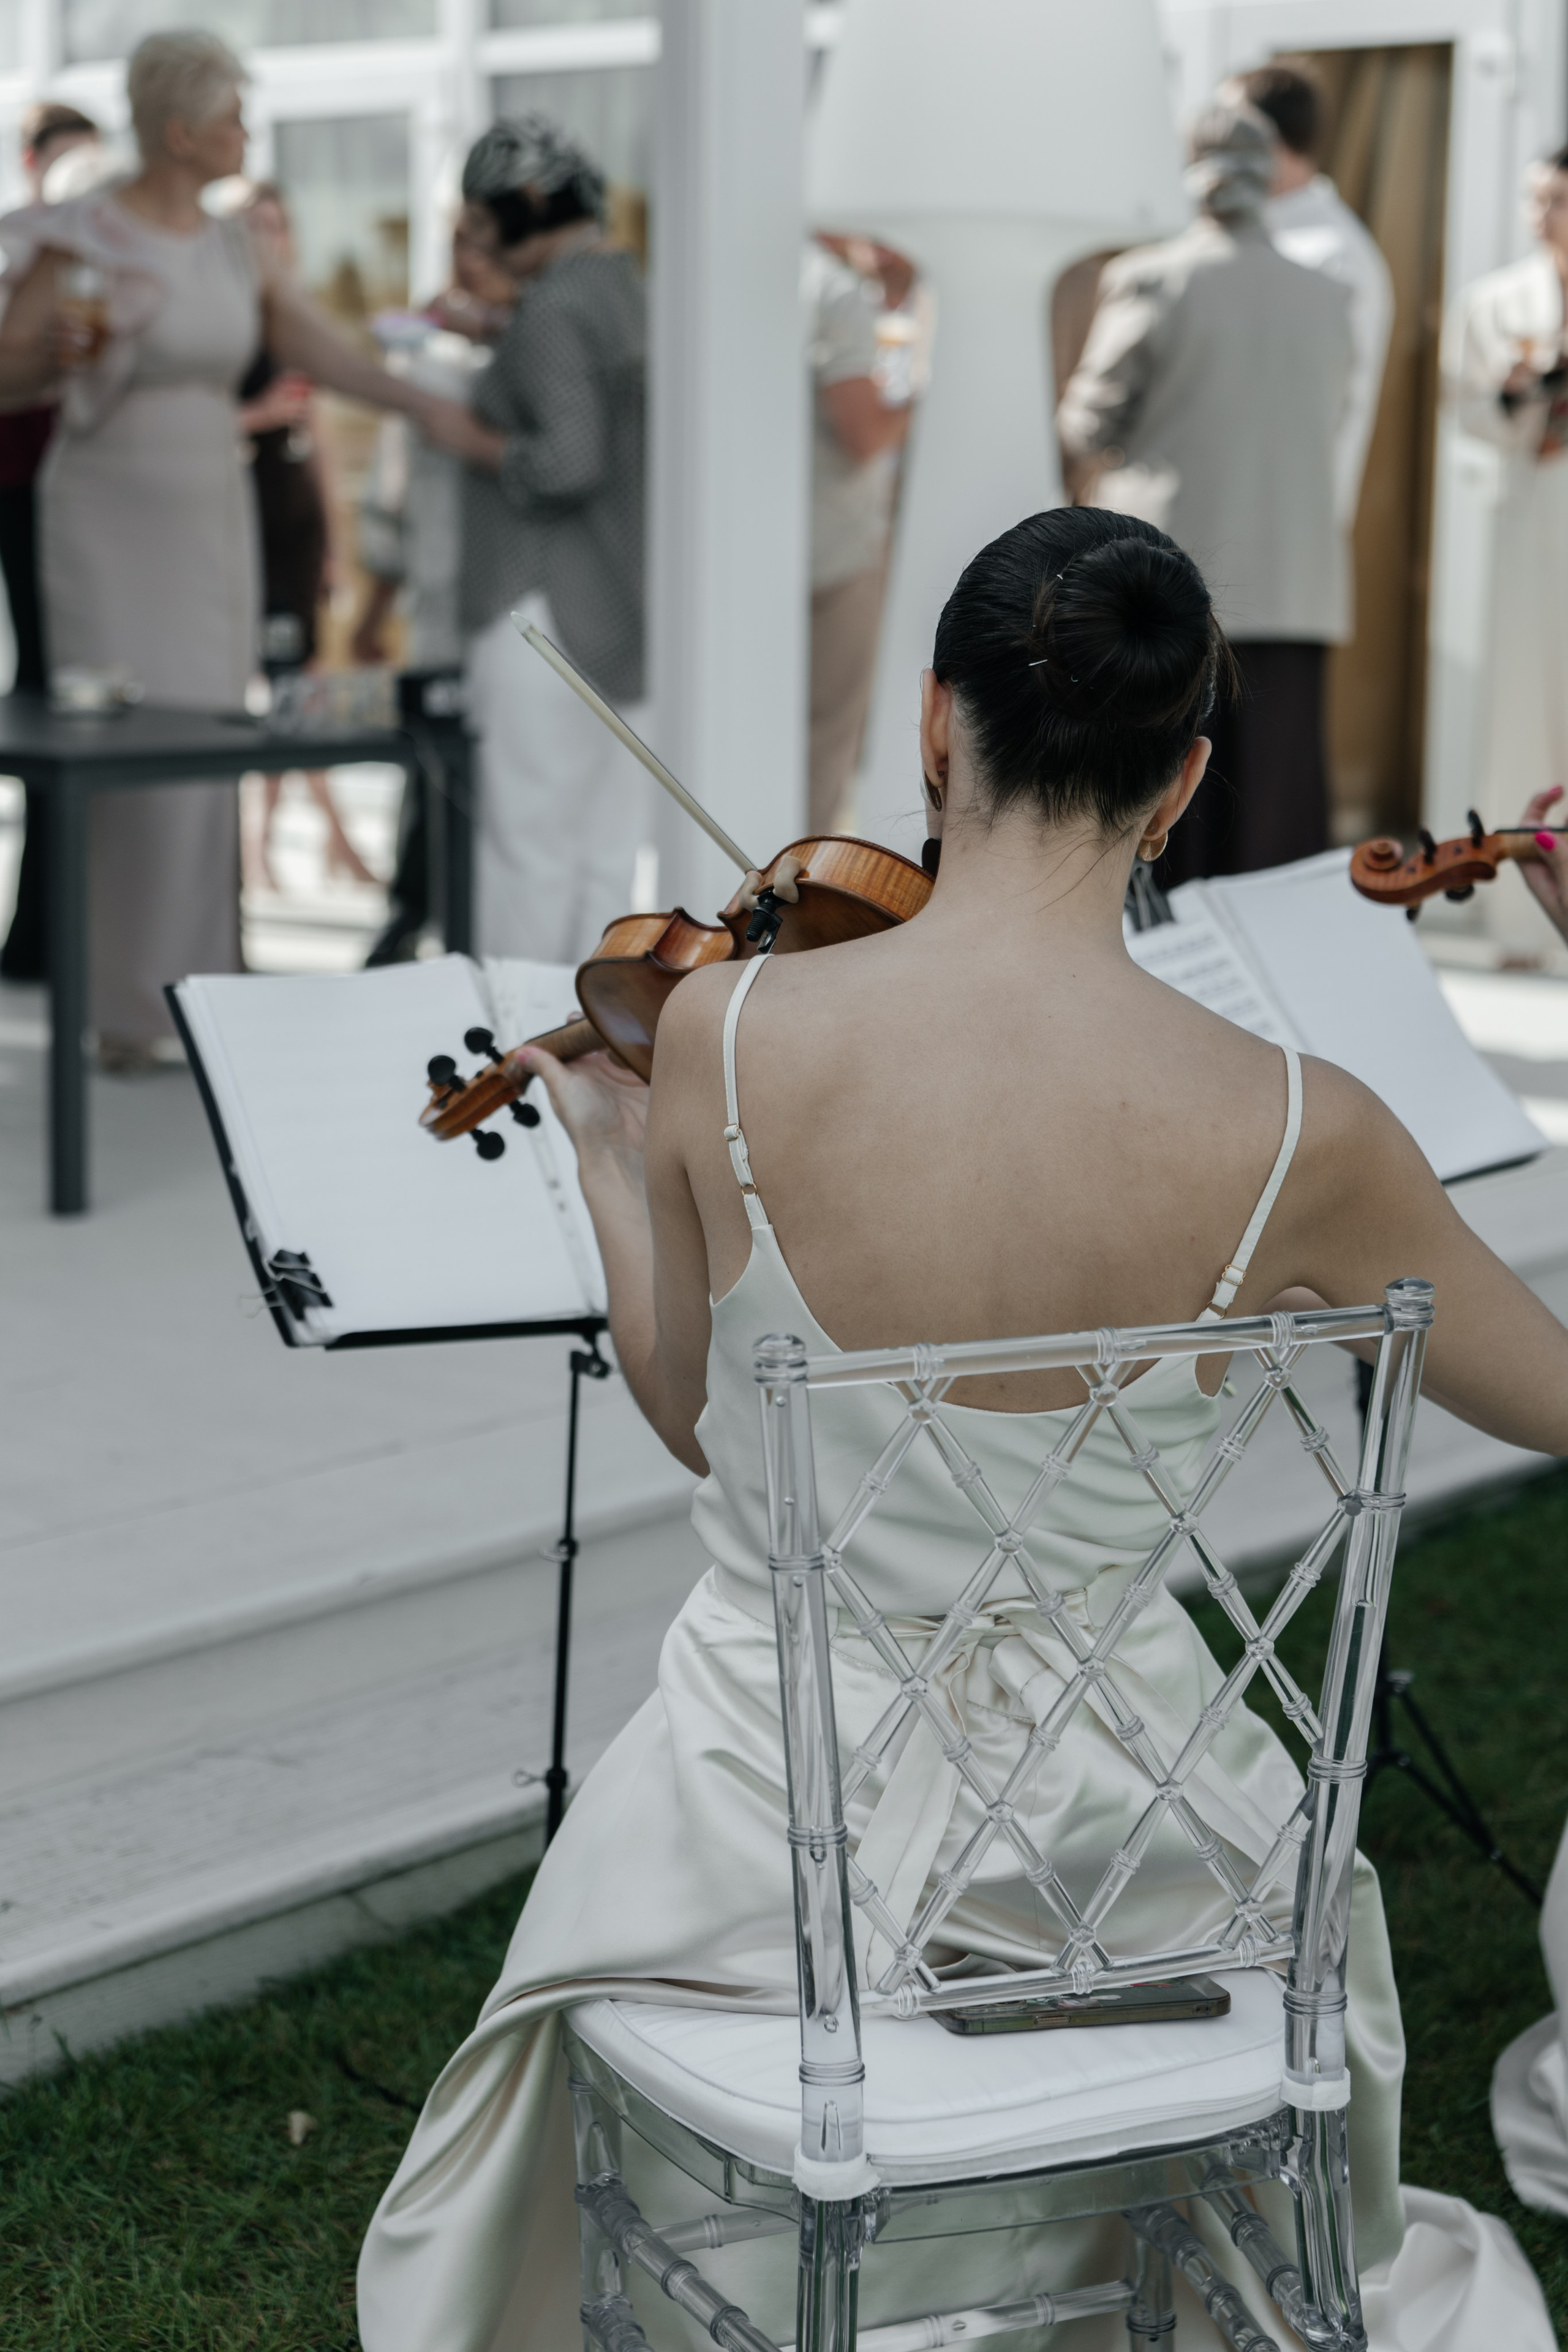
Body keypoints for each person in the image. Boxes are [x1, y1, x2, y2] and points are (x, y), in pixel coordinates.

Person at [356, 506, 1567, 2351]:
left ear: (935, 727)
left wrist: (603, 1154)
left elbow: (700, 1414)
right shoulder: (1306, 1131)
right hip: (1140, 1859)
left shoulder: (729, 1035)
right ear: (1181, 786)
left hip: (752, 1837)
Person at [0, 31, 463, 1067]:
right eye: (235, 119)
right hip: (104, 517)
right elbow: (11, 373)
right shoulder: (85, 237)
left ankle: (203, 995)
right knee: (125, 763)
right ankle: (122, 1016)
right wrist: (53, 350)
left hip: (209, 516)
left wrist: (420, 403)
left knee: (212, 751)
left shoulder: (233, 247)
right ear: (180, 131)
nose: (247, 135)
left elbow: (317, 346)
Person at [1057, 100, 1354, 887]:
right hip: (1296, 583)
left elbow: (1087, 422)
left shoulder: (1149, 277)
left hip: (1173, 579)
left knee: (1160, 814)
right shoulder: (1327, 295)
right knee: (1272, 827)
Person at [420, 116, 649, 966]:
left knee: (526, 852)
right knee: (603, 855)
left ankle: (519, 1055)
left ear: (521, 209)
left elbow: (566, 459)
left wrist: (460, 431)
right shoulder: (626, 289)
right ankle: (595, 1046)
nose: (474, 239)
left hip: (543, 606)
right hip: (625, 606)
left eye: (482, 220)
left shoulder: (551, 306)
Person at [233, 181, 372, 894]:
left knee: (297, 692)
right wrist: (255, 415)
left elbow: (316, 439)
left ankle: (277, 846)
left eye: (278, 225)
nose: (270, 237)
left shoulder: (293, 318)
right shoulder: (226, 323)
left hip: (296, 528)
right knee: (293, 694)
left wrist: (335, 544)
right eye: (256, 224)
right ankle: (322, 841)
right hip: (242, 526)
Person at [1447, 148, 1568, 959]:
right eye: (1536, 197)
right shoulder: (1494, 301)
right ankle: (1523, 917)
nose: (1542, 213)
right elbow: (1468, 411)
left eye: (1557, 198)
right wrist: (1522, 390)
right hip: (1536, 516)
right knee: (1526, 706)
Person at [0, 99, 100, 984]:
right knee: (47, 698)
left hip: (100, 504)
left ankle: (72, 928)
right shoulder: (25, 260)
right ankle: (39, 929)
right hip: (29, 498)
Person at [1232, 61, 1394, 529]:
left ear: (1267, 139)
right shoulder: (1269, 233)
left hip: (1279, 518)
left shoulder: (1330, 257)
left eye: (1231, 128)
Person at [803, 235, 910, 834]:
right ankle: (800, 913)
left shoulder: (750, 264)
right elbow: (864, 433)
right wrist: (925, 395)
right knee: (825, 743)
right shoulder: (835, 290)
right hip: (835, 552)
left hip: (770, 547)